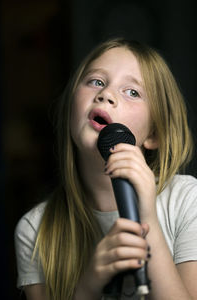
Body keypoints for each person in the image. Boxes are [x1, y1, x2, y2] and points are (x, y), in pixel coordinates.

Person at [14, 37, 197, 300]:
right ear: (71, 109)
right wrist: (89, 285)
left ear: (154, 134)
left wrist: (147, 220)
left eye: (132, 92)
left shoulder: (187, 200)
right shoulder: (35, 229)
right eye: (96, 82)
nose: (105, 94)